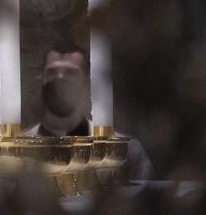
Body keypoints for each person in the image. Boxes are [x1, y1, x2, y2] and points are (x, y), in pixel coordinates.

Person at [23, 42, 154, 180]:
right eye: (52, 72)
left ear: (86, 82)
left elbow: (145, 197)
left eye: (70, 72)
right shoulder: (16, 153)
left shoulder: (125, 151)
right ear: (41, 79)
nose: (60, 78)